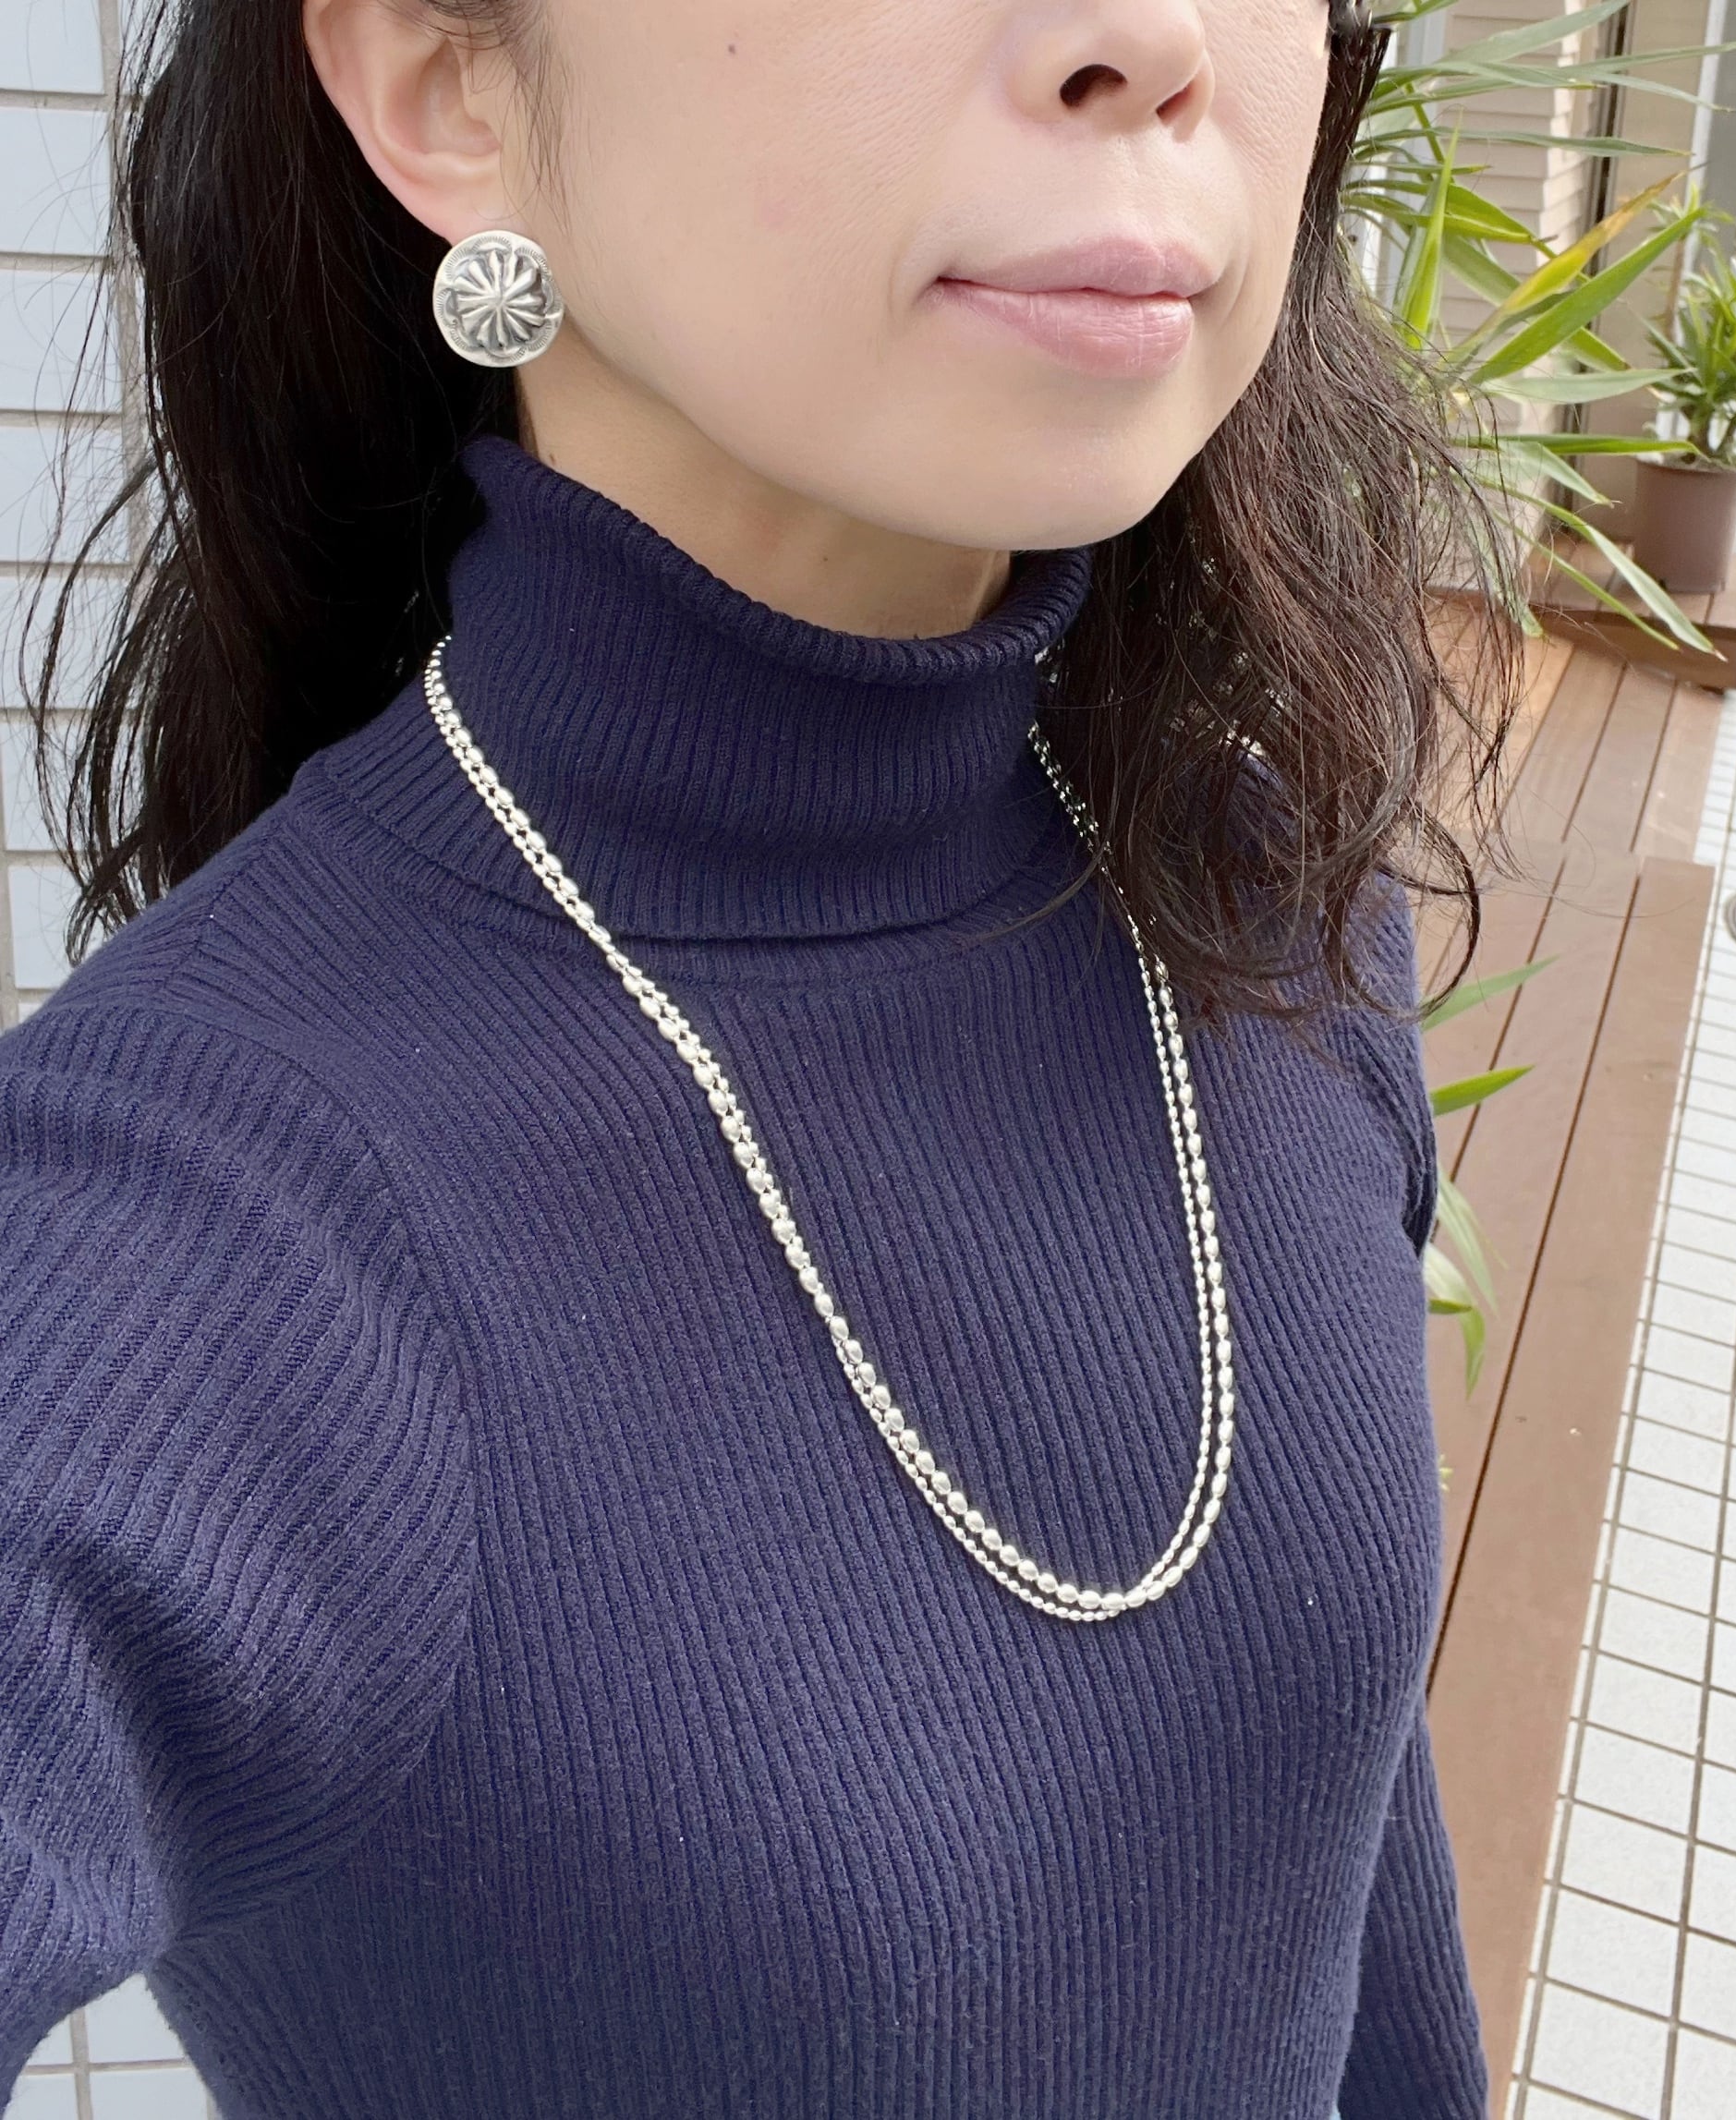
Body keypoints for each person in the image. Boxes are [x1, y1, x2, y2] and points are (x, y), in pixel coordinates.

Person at [0, 0, 1514, 2113]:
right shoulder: (182, 1230)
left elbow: (1336, 1860)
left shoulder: (1264, 892)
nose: (1149, 39)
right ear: (449, 86)